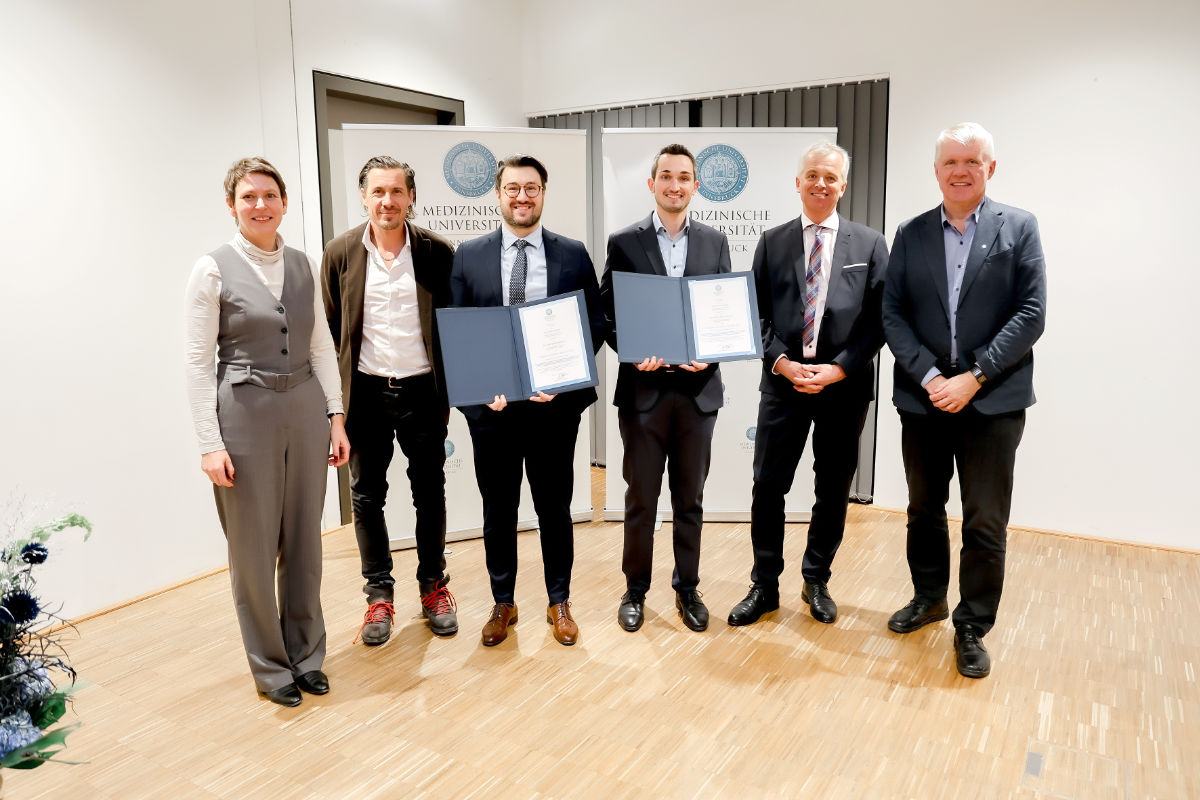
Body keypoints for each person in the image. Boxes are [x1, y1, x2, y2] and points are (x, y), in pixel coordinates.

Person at [881, 122, 1046, 678]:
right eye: (950, 162)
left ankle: (972, 624)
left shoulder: (1019, 227)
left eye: (972, 161)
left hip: (992, 400)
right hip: (924, 398)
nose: (960, 171)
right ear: (936, 170)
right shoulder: (910, 232)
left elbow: (1031, 314)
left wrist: (973, 376)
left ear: (990, 168)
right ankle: (928, 598)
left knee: (983, 520)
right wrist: (930, 376)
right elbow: (893, 313)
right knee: (923, 510)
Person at [185, 157, 350, 706]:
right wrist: (210, 444)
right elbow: (196, 362)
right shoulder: (211, 269)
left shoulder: (303, 263)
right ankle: (271, 666)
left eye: (269, 195)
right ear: (232, 205)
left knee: (305, 538)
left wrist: (335, 414)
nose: (260, 205)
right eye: (248, 197)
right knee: (253, 548)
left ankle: (307, 656)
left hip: (304, 408)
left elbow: (321, 344)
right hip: (244, 414)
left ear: (285, 202)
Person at [727, 141, 889, 628]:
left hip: (844, 387)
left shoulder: (871, 244)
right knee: (767, 486)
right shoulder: (772, 241)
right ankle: (765, 584)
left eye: (830, 177)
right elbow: (751, 312)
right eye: (812, 175)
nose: (821, 184)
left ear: (843, 185)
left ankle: (816, 579)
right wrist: (780, 361)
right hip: (784, 385)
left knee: (833, 487)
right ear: (798, 182)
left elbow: (880, 322)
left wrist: (839, 368)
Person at [450, 154, 604, 647]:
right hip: (492, 414)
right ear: (498, 195)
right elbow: (455, 334)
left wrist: (562, 380)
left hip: (552, 410)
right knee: (498, 509)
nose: (522, 196)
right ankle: (503, 602)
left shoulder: (572, 253)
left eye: (531, 188)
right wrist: (479, 395)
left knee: (554, 508)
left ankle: (559, 601)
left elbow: (593, 324)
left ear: (543, 193)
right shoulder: (469, 255)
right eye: (513, 188)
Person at [321, 156, 457, 645]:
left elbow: (454, 328)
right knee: (366, 496)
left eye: (397, 192)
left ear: (411, 198)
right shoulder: (339, 253)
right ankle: (378, 595)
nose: (387, 201)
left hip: (423, 391)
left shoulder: (438, 252)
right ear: (363, 197)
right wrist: (333, 409)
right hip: (367, 394)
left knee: (430, 491)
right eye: (378, 192)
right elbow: (332, 335)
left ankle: (433, 586)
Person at [599, 144, 731, 633]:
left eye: (684, 177)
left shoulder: (715, 242)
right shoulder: (624, 242)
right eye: (666, 177)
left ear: (696, 186)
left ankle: (687, 587)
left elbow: (724, 313)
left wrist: (711, 354)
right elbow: (607, 313)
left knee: (690, 498)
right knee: (641, 498)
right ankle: (635, 589)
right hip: (644, 393)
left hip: (698, 393)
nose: (675, 185)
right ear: (651, 184)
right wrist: (633, 351)